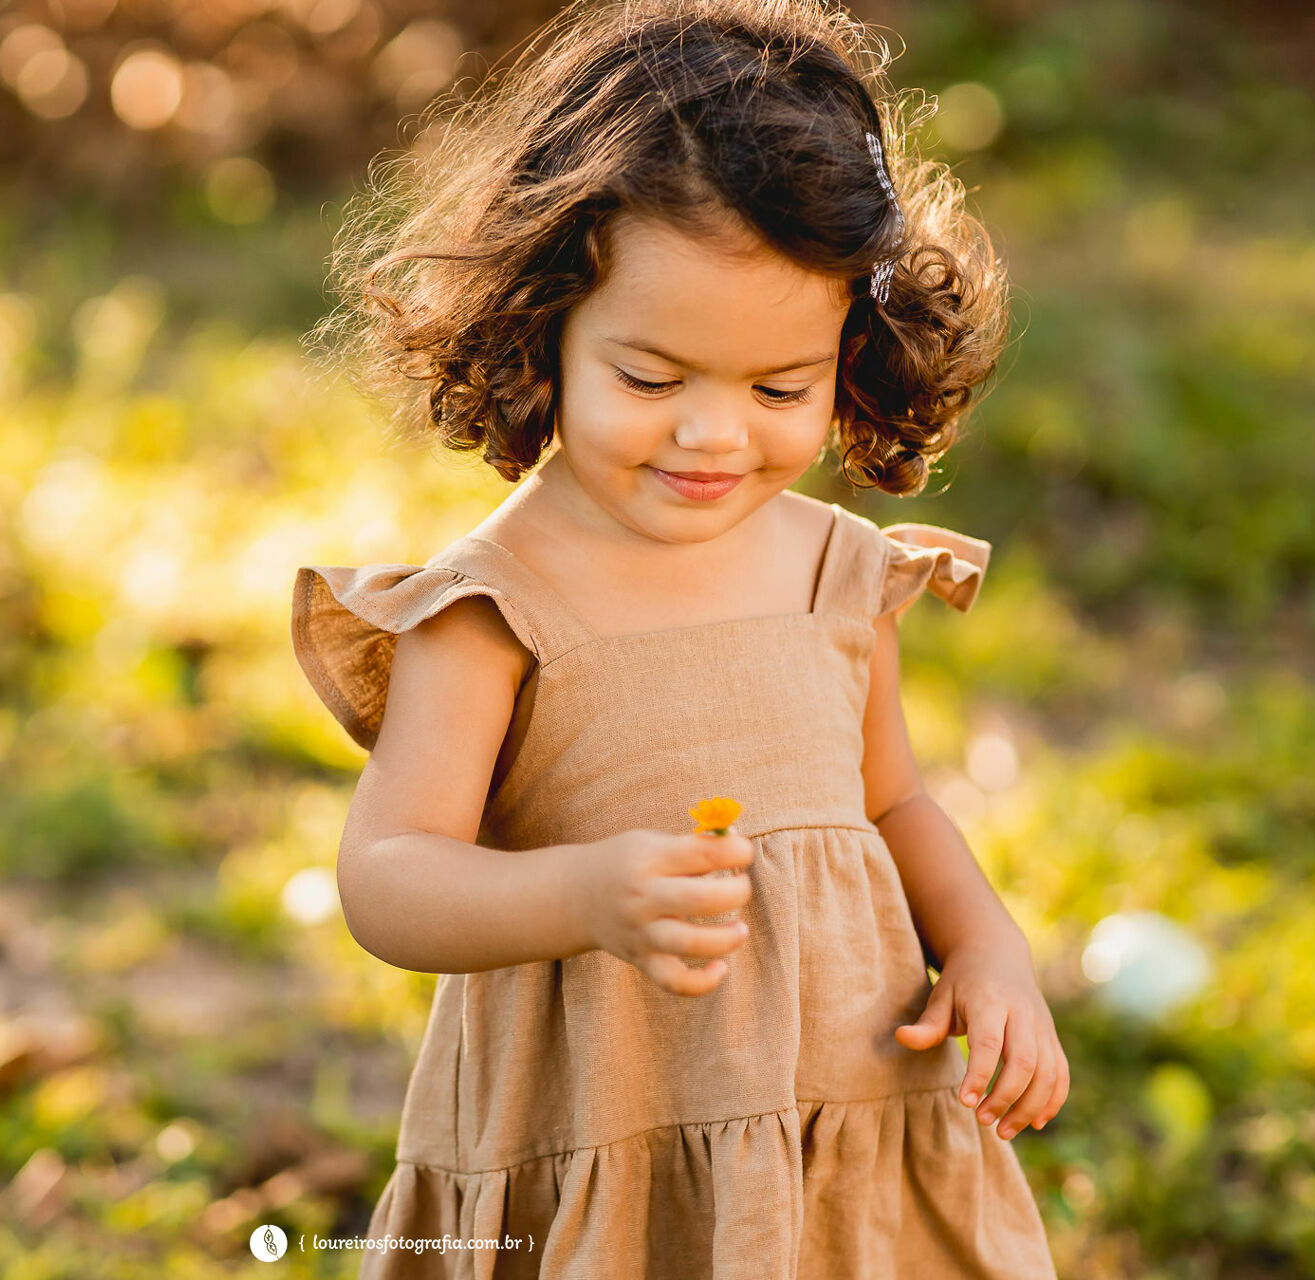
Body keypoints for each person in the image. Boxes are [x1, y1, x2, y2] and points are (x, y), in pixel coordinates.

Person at [291, 1, 1067, 1275]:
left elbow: (897, 802)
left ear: (850, 351)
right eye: (651, 380)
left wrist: (986, 947)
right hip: (607, 1137)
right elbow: (389, 875)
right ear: (544, 325)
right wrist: (584, 893)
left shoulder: (835, 571)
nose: (715, 437)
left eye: (780, 390)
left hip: (848, 1120)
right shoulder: (492, 606)